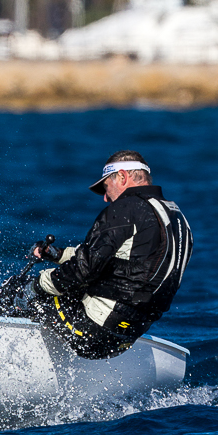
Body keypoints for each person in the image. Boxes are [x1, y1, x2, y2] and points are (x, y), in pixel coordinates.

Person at [27, 149, 192, 360]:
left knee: (23, 288)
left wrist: (38, 284)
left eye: (106, 187)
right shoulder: (179, 219)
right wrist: (57, 255)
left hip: (92, 333)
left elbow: (83, 269)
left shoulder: (125, 208)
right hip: (125, 339)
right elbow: (127, 262)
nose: (105, 198)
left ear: (122, 177)